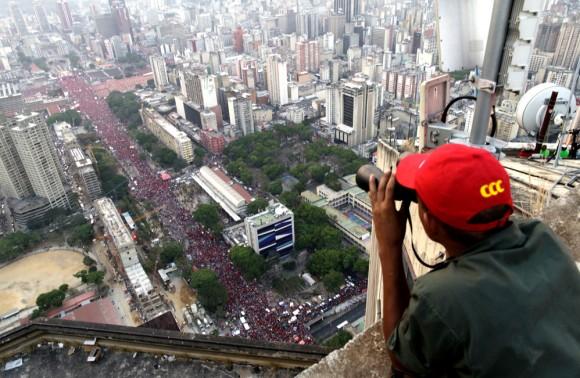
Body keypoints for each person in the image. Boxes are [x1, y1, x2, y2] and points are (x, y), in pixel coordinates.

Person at [369, 143, 580, 377]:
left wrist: (389, 246)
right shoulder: (540, 236)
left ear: (429, 223)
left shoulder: (440, 296)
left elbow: (400, 359)